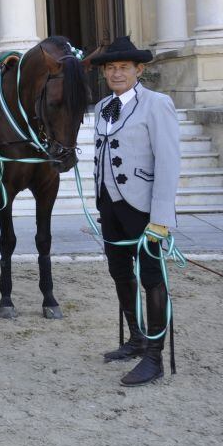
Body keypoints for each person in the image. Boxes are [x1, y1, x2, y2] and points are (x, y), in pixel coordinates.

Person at [91, 36, 180, 387]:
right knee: (119, 271)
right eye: (110, 68)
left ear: (138, 70)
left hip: (143, 207)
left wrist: (161, 218)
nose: (116, 73)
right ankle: (136, 337)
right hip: (110, 206)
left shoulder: (157, 104)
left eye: (123, 67)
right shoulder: (101, 108)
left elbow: (169, 162)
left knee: (152, 278)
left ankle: (154, 358)